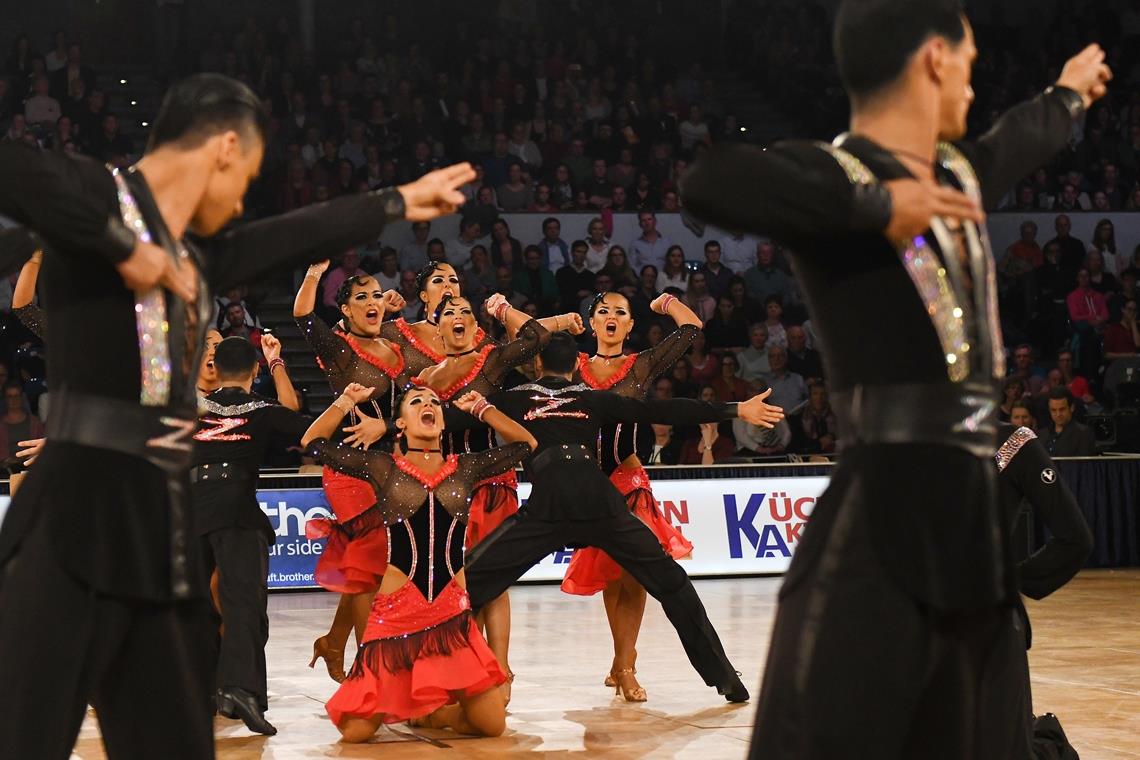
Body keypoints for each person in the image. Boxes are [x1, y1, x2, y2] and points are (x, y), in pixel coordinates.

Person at [0, 72, 475, 759]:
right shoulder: (97, 195)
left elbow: (286, 235)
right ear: (224, 146)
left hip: (157, 540)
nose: (243, 197)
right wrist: (121, 245)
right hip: (70, 528)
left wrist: (395, 200)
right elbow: (13, 168)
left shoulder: (197, 255)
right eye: (247, 174)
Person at [681, 4, 1109, 756]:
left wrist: (1069, 95)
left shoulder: (958, 172)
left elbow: (1020, 138)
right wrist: (874, 206)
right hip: (883, 513)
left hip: (972, 527)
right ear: (935, 59)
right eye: (971, 62)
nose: (974, 82)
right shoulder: (837, 171)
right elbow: (712, 180)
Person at [463, 333, 785, 703]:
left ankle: (439, 674)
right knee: (672, 583)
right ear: (574, 369)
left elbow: (454, 418)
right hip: (599, 499)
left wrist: (394, 425)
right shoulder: (590, 398)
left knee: (471, 581)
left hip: (551, 504)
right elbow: (659, 411)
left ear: (537, 366)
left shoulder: (513, 398)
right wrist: (734, 410)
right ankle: (725, 677)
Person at [301, 383, 537, 741]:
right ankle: (423, 709)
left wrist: (482, 408)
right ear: (401, 425)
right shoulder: (383, 467)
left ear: (442, 424)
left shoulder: (466, 468)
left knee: (493, 724)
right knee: (355, 731)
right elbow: (313, 442)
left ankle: (437, 716)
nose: (428, 405)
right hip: (395, 617)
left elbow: (526, 445)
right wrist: (346, 400)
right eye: (416, 402)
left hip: (451, 619)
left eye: (434, 403)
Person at [412, 294, 576, 703]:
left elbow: (536, 335)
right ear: (438, 328)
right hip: (446, 486)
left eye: (466, 311)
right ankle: (465, 662)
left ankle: (500, 667)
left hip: (492, 481)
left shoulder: (492, 360)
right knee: (455, 579)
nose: (460, 317)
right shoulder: (424, 380)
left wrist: (503, 312)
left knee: (493, 576)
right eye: (449, 313)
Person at [560, 291, 703, 701]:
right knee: (610, 574)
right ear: (591, 324)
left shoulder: (639, 365)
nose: (611, 316)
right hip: (590, 483)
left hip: (629, 480)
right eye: (602, 311)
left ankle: (625, 666)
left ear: (628, 326)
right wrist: (555, 322)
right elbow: (524, 347)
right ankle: (623, 655)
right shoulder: (573, 367)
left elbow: (691, 329)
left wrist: (668, 302)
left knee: (634, 571)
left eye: (620, 312)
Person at [191, 337, 309, 736]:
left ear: (215, 369)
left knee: (197, 605)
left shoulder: (187, 408)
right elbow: (299, 421)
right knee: (242, 602)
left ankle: (207, 690)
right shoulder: (261, 410)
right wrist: (278, 364)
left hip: (188, 512)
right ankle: (239, 689)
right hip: (237, 511)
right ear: (254, 371)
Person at [294, 260, 404, 683]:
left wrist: (387, 426)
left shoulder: (394, 348)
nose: (372, 301)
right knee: (372, 564)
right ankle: (371, 668)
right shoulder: (339, 350)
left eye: (377, 294)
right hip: (349, 471)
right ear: (345, 312)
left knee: (367, 567)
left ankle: (334, 642)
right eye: (361, 297)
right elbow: (303, 317)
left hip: (388, 468)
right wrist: (314, 274)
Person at [991, 424, 1092, 760]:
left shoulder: (894, 442)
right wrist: (1012, 580)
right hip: (987, 621)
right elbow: (1075, 538)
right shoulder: (1011, 441)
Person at [1040, 387, 1096, 457]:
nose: (1058, 414)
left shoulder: (1083, 433)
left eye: (1062, 409)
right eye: (1053, 410)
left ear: (1072, 407)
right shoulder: (1042, 435)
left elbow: (1084, 465)